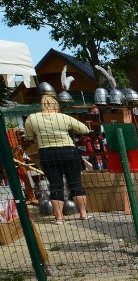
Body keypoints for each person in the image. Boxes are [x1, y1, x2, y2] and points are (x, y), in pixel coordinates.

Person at [24, 94, 93, 223]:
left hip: (47, 153)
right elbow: (85, 129)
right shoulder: (63, 117)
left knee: (55, 185)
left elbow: (28, 136)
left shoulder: (32, 118)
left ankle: (59, 217)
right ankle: (84, 214)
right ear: (56, 105)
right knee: (75, 184)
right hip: (68, 151)